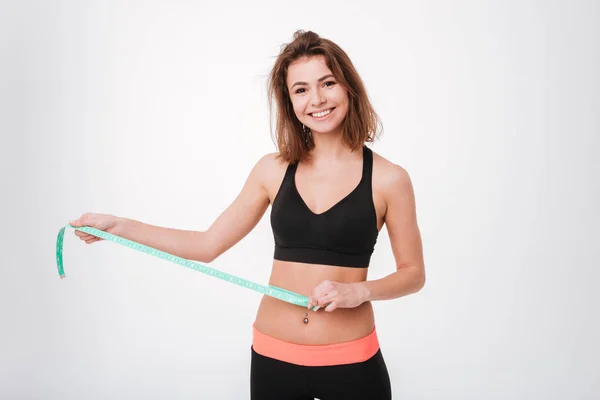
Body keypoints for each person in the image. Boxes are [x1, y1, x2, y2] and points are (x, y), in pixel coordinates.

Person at [70, 30, 425, 400]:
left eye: (327, 83)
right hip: (273, 356)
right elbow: (207, 245)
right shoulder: (272, 170)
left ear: (349, 87)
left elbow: (413, 274)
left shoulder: (389, 179)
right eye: (301, 89)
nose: (316, 99)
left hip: (351, 360)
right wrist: (119, 227)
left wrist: (358, 291)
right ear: (289, 102)